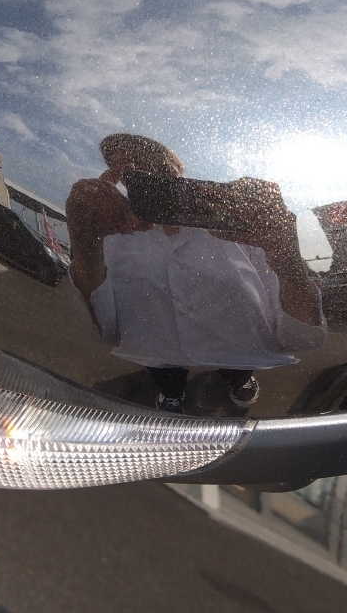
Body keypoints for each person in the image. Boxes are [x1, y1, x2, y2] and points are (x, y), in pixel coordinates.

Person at [65, 133, 326, 412]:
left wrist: (286, 256)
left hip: (239, 349)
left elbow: (302, 338)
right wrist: (84, 239)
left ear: (175, 168)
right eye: (126, 168)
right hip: (157, 354)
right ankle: (172, 392)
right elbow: (103, 332)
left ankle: (239, 380)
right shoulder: (111, 236)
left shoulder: (239, 227)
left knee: (237, 368)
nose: (140, 172)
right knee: (165, 375)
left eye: (151, 161)